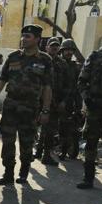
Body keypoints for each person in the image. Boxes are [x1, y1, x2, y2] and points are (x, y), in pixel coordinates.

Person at [0, 25, 53, 185]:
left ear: (37, 39)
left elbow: (47, 87)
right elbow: (2, 79)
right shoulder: (13, 57)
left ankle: (24, 171)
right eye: (23, 35)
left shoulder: (45, 60)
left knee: (26, 142)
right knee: (8, 141)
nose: (23, 39)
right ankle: (8, 173)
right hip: (11, 105)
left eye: (28, 36)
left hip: (30, 107)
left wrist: (45, 110)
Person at [35, 37, 70, 166]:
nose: (54, 48)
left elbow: (68, 85)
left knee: (50, 130)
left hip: (55, 101)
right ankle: (36, 151)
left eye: (56, 46)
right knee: (34, 127)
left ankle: (46, 155)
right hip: (38, 100)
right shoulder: (39, 60)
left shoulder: (63, 64)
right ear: (47, 47)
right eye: (52, 45)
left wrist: (63, 101)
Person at [76, 44, 102, 189]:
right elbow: (81, 81)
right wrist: (87, 99)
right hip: (96, 107)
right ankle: (88, 178)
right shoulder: (95, 56)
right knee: (91, 142)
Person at [58, 39, 83, 160]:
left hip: (72, 101)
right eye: (66, 50)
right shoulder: (56, 64)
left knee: (70, 127)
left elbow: (80, 85)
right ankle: (42, 149)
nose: (69, 52)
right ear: (62, 51)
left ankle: (64, 150)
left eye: (71, 50)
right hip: (57, 99)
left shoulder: (76, 67)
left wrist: (80, 104)